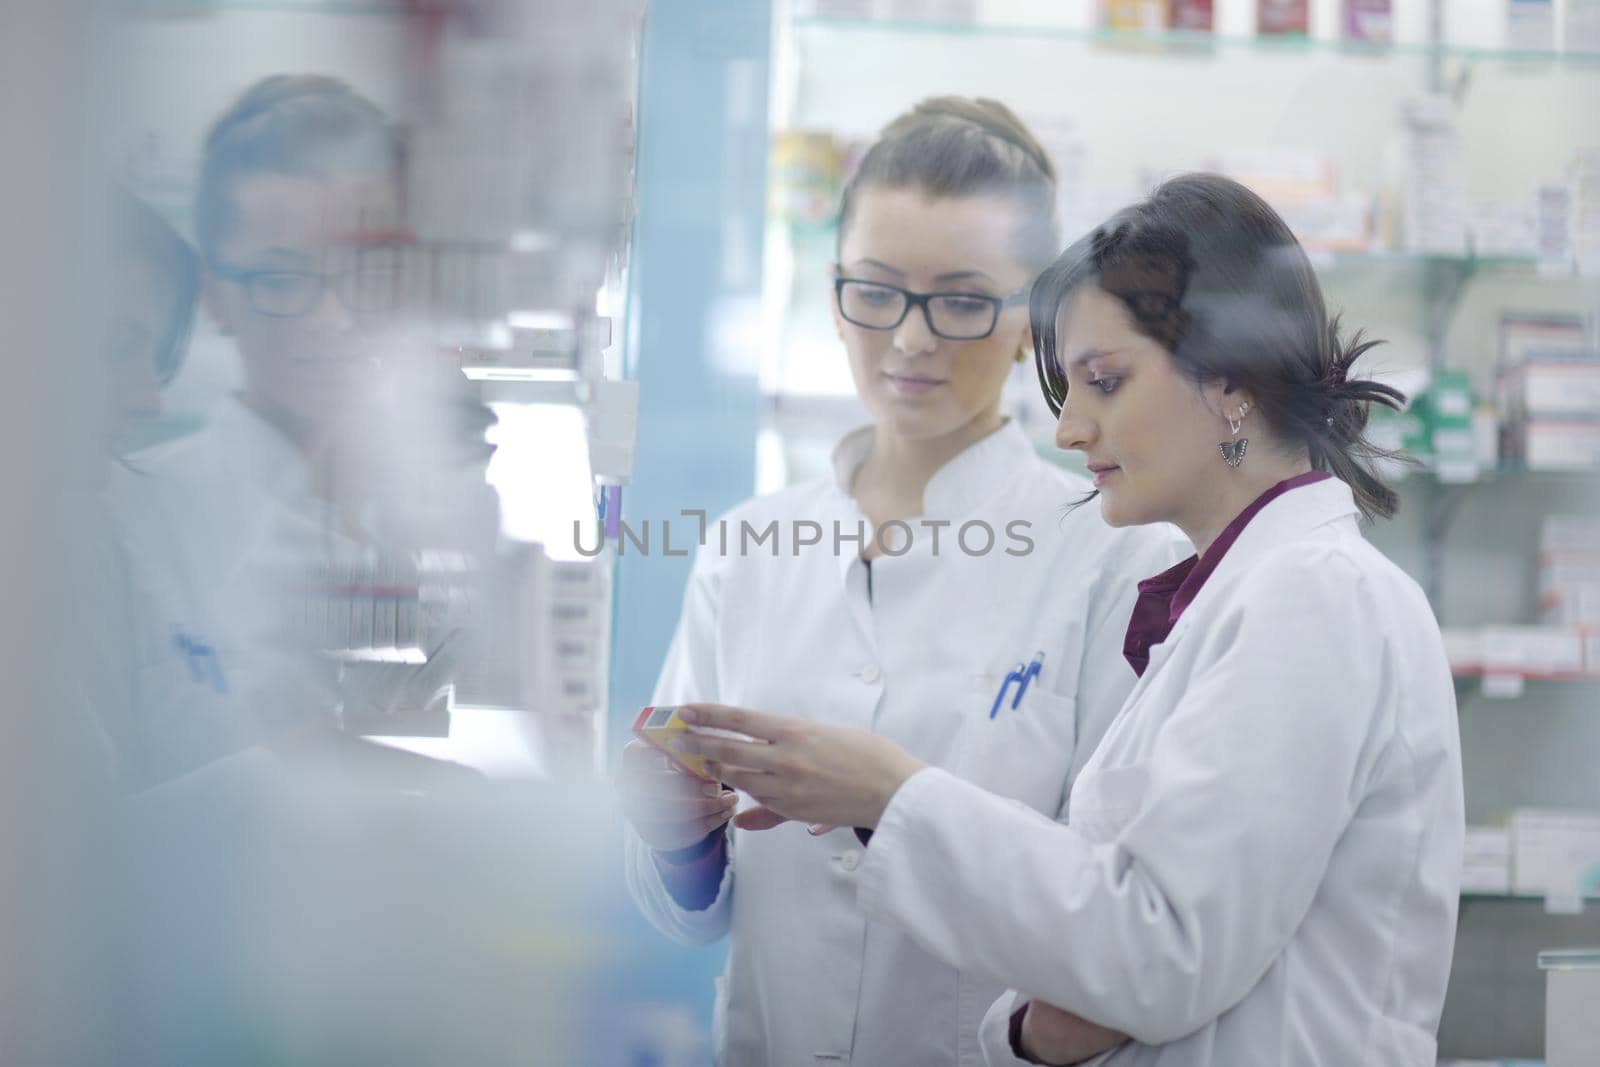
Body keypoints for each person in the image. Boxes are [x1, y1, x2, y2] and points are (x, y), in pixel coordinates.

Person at [672, 172, 1466, 1065]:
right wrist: (1041, 1017)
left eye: (1104, 381)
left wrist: (891, 794)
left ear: (1230, 381)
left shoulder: (1315, 594)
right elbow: (1122, 939)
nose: (1071, 429)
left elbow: (1156, 953)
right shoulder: (1242, 592)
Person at [618, 97, 1186, 1067]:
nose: (911, 339)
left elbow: (1120, 909)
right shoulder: (746, 545)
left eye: (962, 300)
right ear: (833, 285)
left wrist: (895, 801)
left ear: (1030, 323)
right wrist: (678, 838)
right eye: (874, 291)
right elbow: (693, 910)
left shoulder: (1113, 554)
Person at [113, 75, 498, 784]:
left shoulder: (462, 508)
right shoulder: (132, 525)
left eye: (366, 271)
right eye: (282, 279)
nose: (334, 319)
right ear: (215, 295)